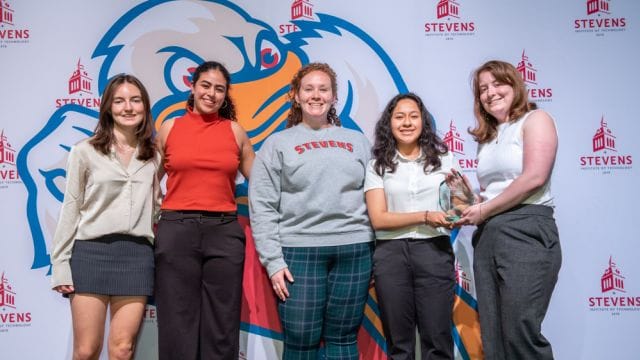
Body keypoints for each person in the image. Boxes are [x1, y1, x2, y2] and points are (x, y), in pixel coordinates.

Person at [249, 62, 374, 360]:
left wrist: (377, 251)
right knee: (301, 340)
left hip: (354, 250)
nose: (316, 95)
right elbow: (262, 204)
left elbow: (375, 198)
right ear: (296, 95)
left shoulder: (357, 141)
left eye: (323, 89)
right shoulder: (278, 143)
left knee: (343, 339)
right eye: (308, 89)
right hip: (298, 251)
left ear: (333, 97)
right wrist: (273, 261)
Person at [455, 60, 562, 360]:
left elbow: (534, 178)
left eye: (497, 84)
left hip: (526, 231)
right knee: (494, 336)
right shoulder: (489, 137)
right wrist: (470, 199)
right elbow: (497, 193)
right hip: (490, 235)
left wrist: (485, 209)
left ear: (514, 84)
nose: (490, 93)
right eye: (483, 89)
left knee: (520, 332)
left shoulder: (536, 119)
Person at [50, 73, 160, 360]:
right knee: (86, 350)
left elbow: (156, 206)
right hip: (91, 255)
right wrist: (60, 264)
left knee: (122, 350)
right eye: (119, 101)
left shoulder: (153, 156)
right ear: (108, 108)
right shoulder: (84, 152)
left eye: (135, 100)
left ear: (145, 107)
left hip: (136, 257)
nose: (128, 107)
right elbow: (70, 208)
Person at [154, 61, 255, 360]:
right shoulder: (170, 127)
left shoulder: (235, 132)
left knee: (222, 325)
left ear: (226, 95)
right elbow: (147, 182)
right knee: (176, 321)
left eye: (219, 89)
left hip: (223, 231)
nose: (211, 94)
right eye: (206, 86)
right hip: (176, 229)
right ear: (193, 86)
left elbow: (262, 183)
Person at [364, 92, 456, 360]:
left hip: (434, 251)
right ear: (389, 123)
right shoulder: (377, 166)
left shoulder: (445, 160)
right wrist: (425, 215)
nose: (406, 122)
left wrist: (463, 200)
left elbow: (459, 206)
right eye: (399, 116)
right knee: (399, 344)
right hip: (391, 255)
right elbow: (379, 218)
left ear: (423, 122)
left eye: (413, 116)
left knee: (437, 340)